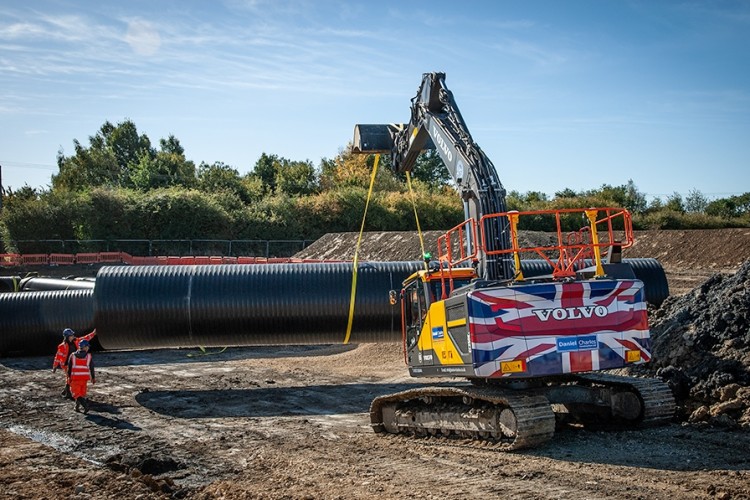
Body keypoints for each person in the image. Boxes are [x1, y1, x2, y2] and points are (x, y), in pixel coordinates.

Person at [52, 328, 97, 399]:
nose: (73, 336)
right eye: (71, 335)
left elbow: (85, 338)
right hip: (66, 364)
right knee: (70, 377)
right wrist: (54, 366)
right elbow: (58, 357)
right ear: (67, 337)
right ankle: (69, 392)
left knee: (71, 378)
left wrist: (93, 334)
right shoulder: (62, 346)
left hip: (74, 363)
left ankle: (67, 391)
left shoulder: (76, 341)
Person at [67, 339, 95, 414]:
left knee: (76, 393)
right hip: (84, 378)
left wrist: (68, 377)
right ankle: (77, 407)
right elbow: (91, 367)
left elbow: (69, 368)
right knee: (81, 393)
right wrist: (93, 377)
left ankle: (85, 406)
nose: (88, 348)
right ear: (85, 347)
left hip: (75, 378)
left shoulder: (72, 356)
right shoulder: (89, 356)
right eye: (88, 347)